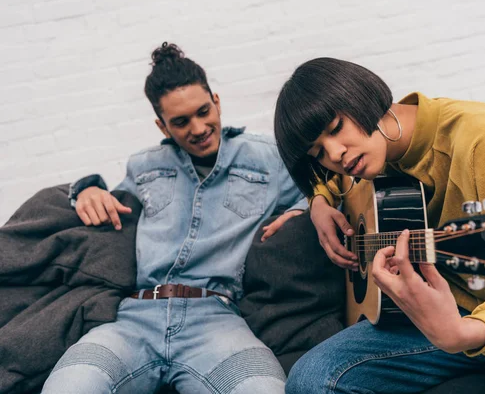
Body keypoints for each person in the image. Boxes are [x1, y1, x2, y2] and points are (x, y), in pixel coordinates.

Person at [273, 57, 485, 393]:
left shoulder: (482, 137)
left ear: (363, 97)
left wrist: (462, 333)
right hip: (430, 319)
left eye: (336, 128)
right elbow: (331, 180)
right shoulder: (366, 159)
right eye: (318, 153)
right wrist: (319, 201)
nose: (336, 155)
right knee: (309, 380)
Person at [41, 43, 307, 394]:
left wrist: (299, 211)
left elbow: (319, 192)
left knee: (264, 389)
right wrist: (88, 189)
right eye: (181, 122)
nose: (198, 128)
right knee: (68, 387)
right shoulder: (144, 166)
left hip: (216, 319)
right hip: (133, 321)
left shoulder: (266, 157)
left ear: (217, 100)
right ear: (162, 125)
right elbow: (109, 199)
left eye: (203, 111)